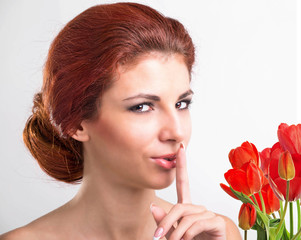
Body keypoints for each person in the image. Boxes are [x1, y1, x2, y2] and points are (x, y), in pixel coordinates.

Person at [0, 2, 241, 240]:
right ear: (77, 123)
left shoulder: (217, 234)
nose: (177, 132)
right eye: (142, 107)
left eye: (181, 104)